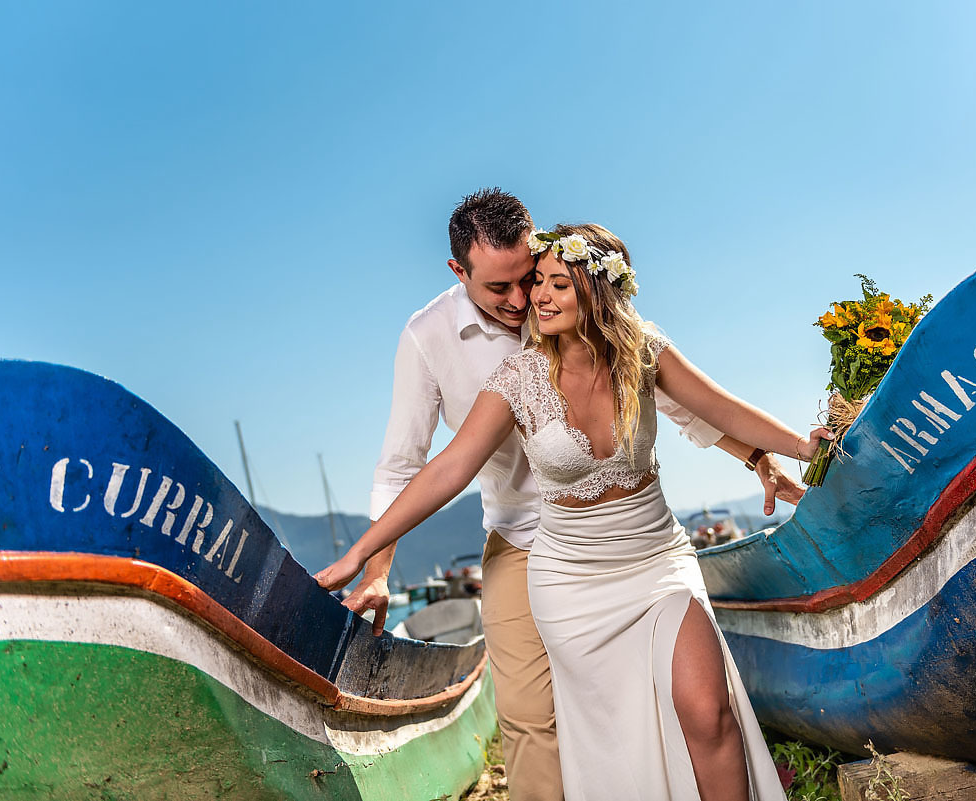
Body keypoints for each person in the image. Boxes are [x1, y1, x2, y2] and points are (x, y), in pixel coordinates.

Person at [318, 220, 831, 801]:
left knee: (707, 709)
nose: (528, 298)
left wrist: (792, 451)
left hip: (655, 560)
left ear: (594, 288)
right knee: (556, 723)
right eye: (521, 285)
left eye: (547, 282)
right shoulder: (493, 366)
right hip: (556, 566)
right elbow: (437, 467)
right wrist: (366, 557)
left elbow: (710, 408)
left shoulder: (640, 348)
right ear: (461, 274)